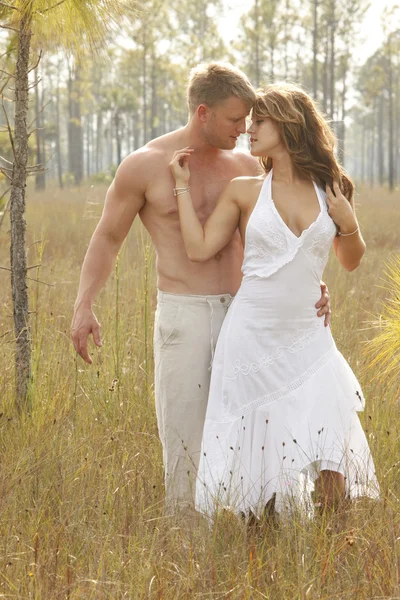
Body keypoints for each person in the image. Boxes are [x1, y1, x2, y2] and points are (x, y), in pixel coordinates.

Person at [71, 64, 331, 517]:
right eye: (235, 120)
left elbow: (279, 235)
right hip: (185, 316)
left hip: (248, 314)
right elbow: (108, 238)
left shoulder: (251, 164)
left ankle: (262, 539)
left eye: (249, 120)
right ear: (203, 112)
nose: (244, 128)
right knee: (186, 437)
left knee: (260, 430)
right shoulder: (146, 164)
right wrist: (83, 305)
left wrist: (313, 283)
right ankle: (188, 551)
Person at [169, 82, 379, 518]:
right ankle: (264, 562)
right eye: (248, 121)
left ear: (286, 124)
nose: (249, 128)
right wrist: (181, 187)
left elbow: (351, 261)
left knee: (331, 465)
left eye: (259, 120)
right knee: (258, 472)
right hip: (251, 339)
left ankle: (332, 563)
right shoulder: (244, 190)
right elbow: (199, 249)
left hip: (309, 339)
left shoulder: (332, 188)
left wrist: (349, 223)